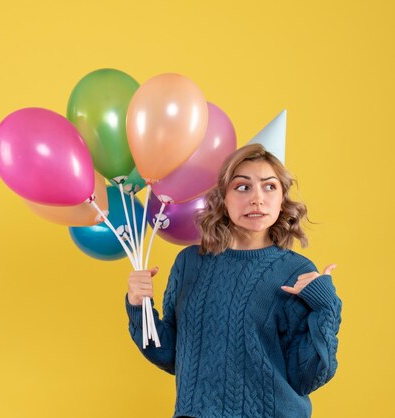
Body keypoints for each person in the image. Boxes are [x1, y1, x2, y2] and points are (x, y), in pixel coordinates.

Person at [126, 144, 342, 418]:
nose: (257, 199)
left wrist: (326, 306)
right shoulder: (189, 263)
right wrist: (138, 306)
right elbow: (170, 354)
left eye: (269, 187)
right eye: (242, 187)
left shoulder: (296, 271)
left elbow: (307, 377)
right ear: (222, 198)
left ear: (282, 199)